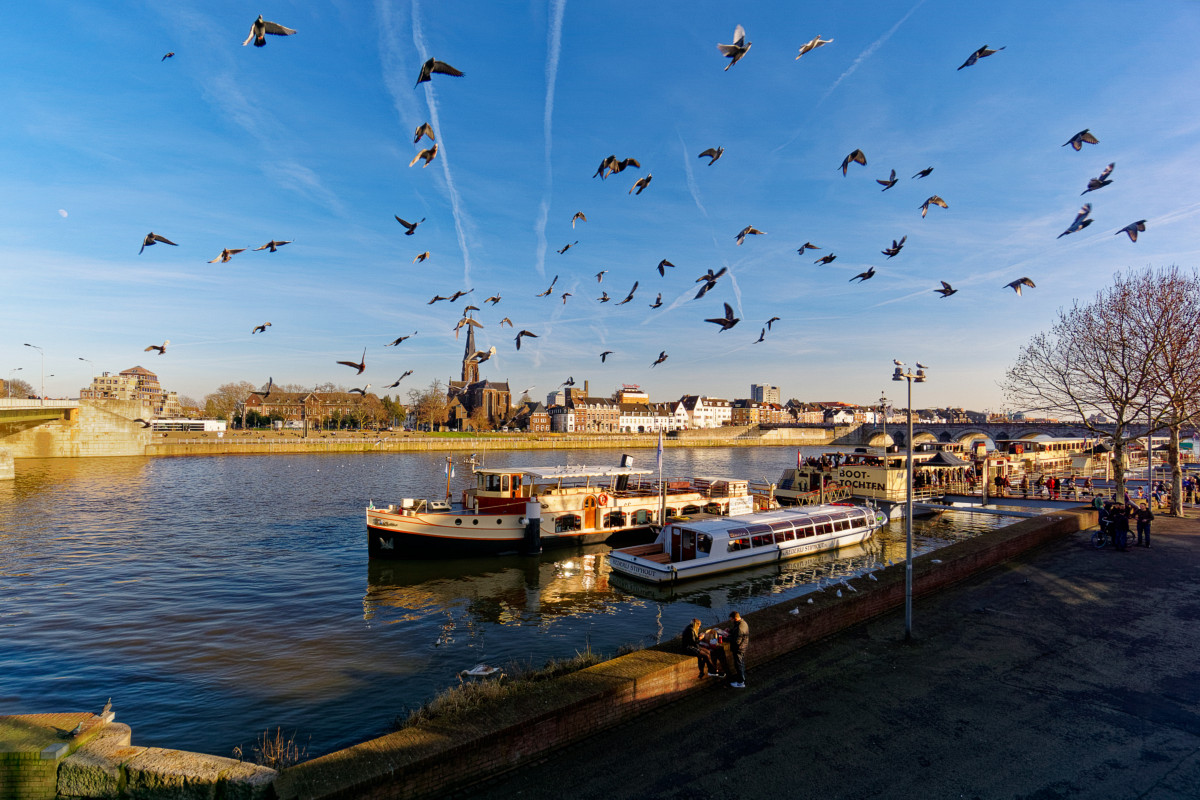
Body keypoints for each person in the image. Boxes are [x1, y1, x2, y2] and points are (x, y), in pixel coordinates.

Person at [725, 611, 750, 688]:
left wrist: (723, 639)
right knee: (741, 663)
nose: (731, 620)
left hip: (739, 648)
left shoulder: (739, 627)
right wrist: (730, 630)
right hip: (743, 647)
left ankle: (740, 682)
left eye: (731, 619)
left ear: (735, 618)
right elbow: (737, 634)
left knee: (738, 664)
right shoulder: (743, 623)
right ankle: (742, 678)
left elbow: (736, 641)